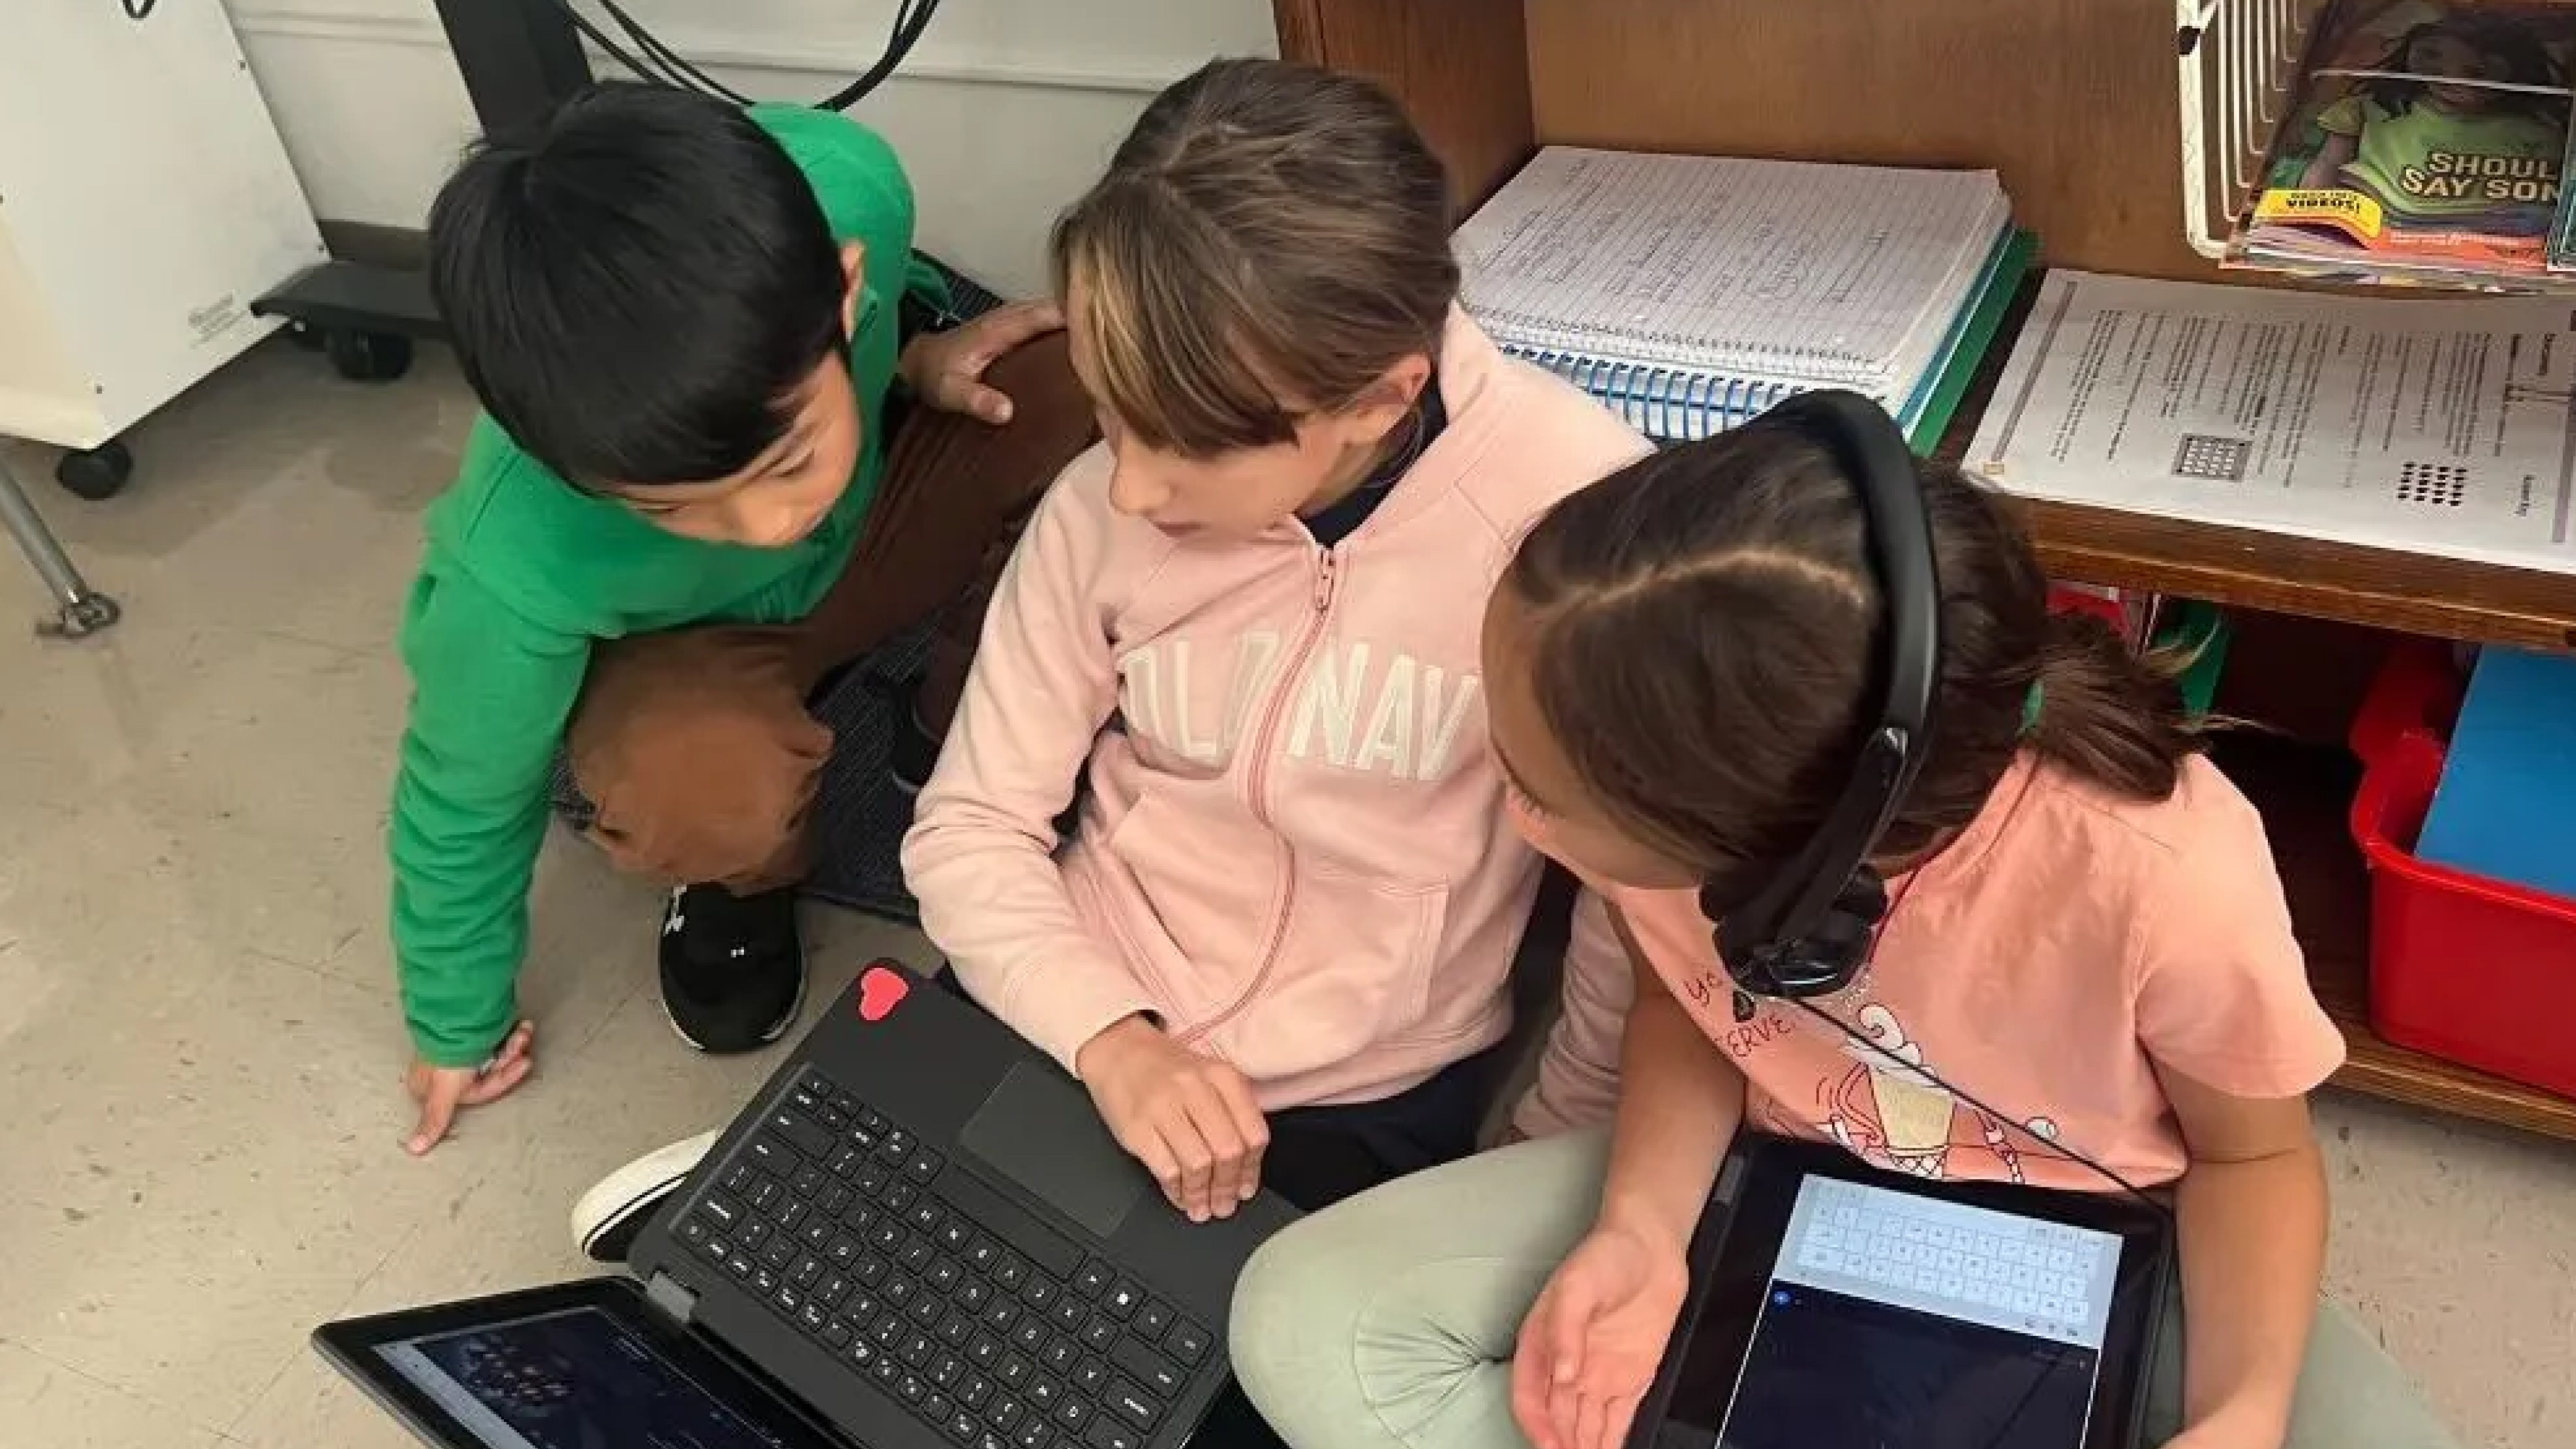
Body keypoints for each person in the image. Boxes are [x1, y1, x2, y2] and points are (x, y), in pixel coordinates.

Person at [1228, 413, 2462, 1449]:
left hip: (2098, 1249)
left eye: (1541, 795)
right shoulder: (1683, 818)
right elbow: (1688, 1006)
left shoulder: (2167, 876)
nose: (1512, 816)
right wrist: (1642, 1231)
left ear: (1787, 850)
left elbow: (2253, 1161)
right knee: (1302, 1313)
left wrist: (2241, 1415)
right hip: (1773, 1198)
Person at [900, 55, 1648, 1221]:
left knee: (1234, 1337)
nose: (1127, 489)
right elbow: (970, 827)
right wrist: (1108, 1035)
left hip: (1361, 1087)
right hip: (1077, 999)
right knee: (855, 1265)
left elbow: (1634, 896)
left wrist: (1555, 1134)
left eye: (1184, 448)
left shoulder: (1580, 526)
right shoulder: (1101, 504)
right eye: (1109, 413)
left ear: (1380, 402)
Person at [389, 82, 1092, 1156]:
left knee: (1084, 374)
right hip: (698, 655)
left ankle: (952, 714)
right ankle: (739, 884)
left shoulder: (850, 186)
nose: (766, 525)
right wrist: (455, 1024)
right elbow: (461, 796)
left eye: (789, 456)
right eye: (676, 508)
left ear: (846, 289)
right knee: (697, 787)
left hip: (883, 520)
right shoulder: (511, 558)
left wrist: (911, 354)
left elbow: (853, 261)